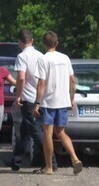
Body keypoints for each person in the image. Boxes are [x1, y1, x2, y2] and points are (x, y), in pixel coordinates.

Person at [32, 31, 82, 175]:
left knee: (47, 133)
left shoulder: (43, 59)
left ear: (44, 44)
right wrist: (71, 99)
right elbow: (72, 80)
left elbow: (41, 83)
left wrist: (36, 103)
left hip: (48, 102)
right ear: (57, 43)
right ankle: (75, 158)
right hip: (63, 101)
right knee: (61, 132)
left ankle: (49, 167)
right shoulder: (65, 58)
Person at [10, 29, 45, 171]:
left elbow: (21, 78)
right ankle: (17, 160)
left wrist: (18, 95)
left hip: (28, 98)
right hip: (41, 97)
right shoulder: (41, 56)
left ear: (19, 42)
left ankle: (51, 161)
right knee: (24, 130)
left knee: (35, 131)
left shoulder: (22, 56)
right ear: (32, 40)